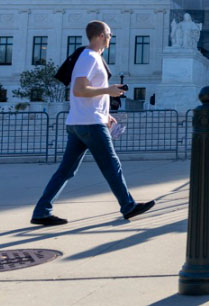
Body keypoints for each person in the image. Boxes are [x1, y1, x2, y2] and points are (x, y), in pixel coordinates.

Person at [31, 21, 155, 226]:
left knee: (66, 170)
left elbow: (84, 94)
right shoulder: (89, 57)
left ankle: (42, 211)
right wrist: (109, 91)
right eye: (109, 34)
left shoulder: (90, 57)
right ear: (99, 35)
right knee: (111, 165)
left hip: (81, 122)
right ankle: (128, 205)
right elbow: (80, 90)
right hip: (90, 124)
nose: (110, 38)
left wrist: (105, 114)